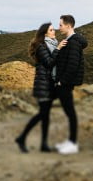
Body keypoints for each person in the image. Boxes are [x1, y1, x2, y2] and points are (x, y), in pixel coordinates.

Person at [14, 22, 67, 153]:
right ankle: (21, 138)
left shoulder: (51, 45)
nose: (54, 31)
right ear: (45, 33)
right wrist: (58, 49)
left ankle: (43, 144)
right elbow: (49, 63)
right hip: (43, 84)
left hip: (49, 84)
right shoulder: (41, 47)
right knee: (43, 113)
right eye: (51, 30)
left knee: (46, 115)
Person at [52, 14, 88, 155]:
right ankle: (70, 141)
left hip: (66, 83)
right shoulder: (68, 41)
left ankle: (72, 143)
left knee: (70, 111)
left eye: (60, 24)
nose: (59, 27)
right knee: (68, 111)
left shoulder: (73, 42)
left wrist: (63, 81)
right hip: (64, 82)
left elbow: (72, 65)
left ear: (68, 25)